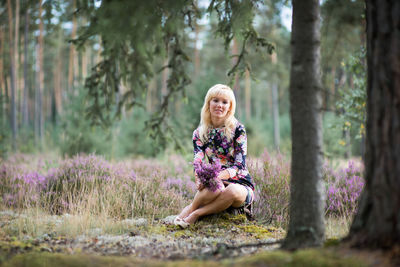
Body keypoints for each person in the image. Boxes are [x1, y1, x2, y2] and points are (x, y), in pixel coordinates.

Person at [174, 84, 255, 228]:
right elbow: (197, 161)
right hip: (216, 182)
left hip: (240, 183)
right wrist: (198, 178)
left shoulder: (238, 129)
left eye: (225, 102)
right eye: (215, 100)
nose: (220, 105)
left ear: (230, 107)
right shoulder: (199, 133)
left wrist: (217, 176)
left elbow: (239, 165)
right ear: (208, 103)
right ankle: (186, 213)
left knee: (231, 190)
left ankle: (195, 214)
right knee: (216, 187)